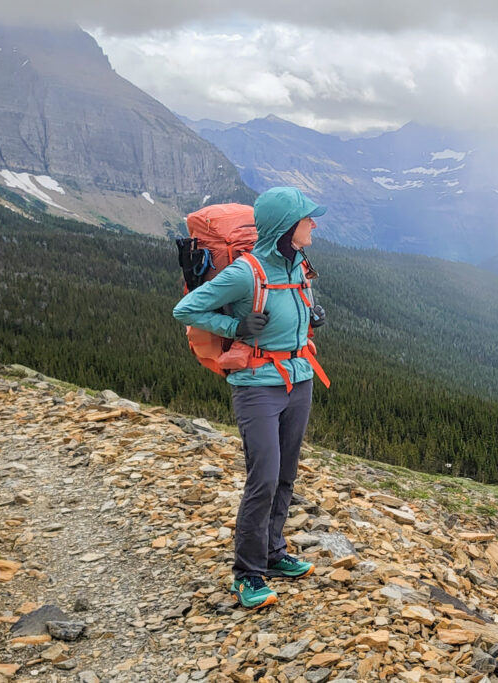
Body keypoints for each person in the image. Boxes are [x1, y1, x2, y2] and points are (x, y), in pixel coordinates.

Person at [173, 186, 325, 609]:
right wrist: (235, 330)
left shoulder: (299, 265)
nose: (313, 224)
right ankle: (248, 572)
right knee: (263, 478)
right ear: (285, 226)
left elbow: (298, 304)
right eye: (306, 218)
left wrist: (311, 315)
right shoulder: (246, 272)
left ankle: (274, 554)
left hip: (299, 379)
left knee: (285, 475)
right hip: (258, 386)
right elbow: (185, 310)